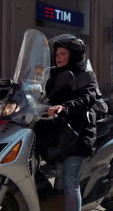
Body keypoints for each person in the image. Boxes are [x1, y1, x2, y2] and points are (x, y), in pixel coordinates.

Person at [45, 35, 99, 211]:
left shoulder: (85, 75)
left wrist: (66, 106)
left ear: (74, 55)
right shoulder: (54, 74)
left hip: (77, 131)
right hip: (57, 129)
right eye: (56, 54)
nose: (58, 57)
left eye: (62, 53)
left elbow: (88, 97)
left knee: (70, 181)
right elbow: (43, 95)